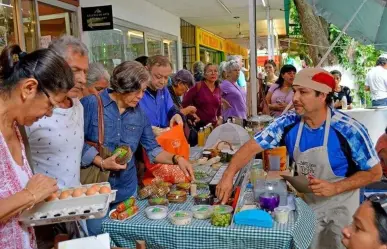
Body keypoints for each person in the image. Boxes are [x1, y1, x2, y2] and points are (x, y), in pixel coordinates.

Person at [216, 68, 382, 249]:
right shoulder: (288, 122)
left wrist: (335, 187)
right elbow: (251, 147)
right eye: (295, 90)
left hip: (342, 207)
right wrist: (228, 175)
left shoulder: (349, 130)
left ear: (323, 95)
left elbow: (375, 173)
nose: (295, 98)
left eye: (303, 92)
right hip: (309, 205)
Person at [81, 61, 194, 235]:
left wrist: (177, 159)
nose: (141, 96)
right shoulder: (90, 104)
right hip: (95, 193)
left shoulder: (139, 114)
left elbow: (152, 149)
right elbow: (74, 144)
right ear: (121, 86)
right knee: (97, 238)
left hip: (126, 189)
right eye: (137, 91)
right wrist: (101, 161)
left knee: (126, 238)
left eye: (143, 90)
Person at [0, 45, 73, 249]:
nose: (49, 114)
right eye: (51, 104)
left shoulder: (16, 127)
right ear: (29, 88)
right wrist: (30, 195)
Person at [26, 35, 89, 248]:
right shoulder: (31, 109)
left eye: (85, 71)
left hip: (74, 207)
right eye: (75, 70)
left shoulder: (77, 105)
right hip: (42, 215)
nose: (81, 78)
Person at [139, 55, 183, 128]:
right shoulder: (136, 92)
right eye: (158, 77)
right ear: (146, 70)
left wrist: (176, 115)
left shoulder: (164, 90)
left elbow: (171, 109)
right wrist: (149, 130)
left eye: (166, 77)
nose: (162, 82)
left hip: (163, 136)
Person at [182, 63, 223, 128]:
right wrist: (193, 116)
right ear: (205, 74)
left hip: (213, 127)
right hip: (199, 126)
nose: (213, 73)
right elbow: (184, 104)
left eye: (215, 71)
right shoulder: (198, 86)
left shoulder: (218, 88)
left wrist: (220, 119)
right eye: (210, 71)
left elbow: (219, 110)